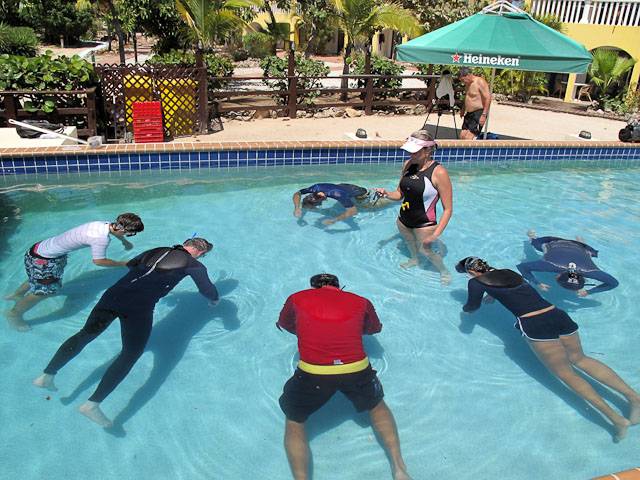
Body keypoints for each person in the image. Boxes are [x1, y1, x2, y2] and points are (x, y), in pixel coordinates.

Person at [33, 237, 219, 428]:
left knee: (85, 335)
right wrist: (214, 300)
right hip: (138, 308)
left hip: (113, 295)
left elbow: (131, 264)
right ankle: (92, 405)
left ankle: (46, 376)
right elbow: (207, 290)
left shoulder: (157, 249)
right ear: (201, 253)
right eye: (202, 256)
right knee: (130, 354)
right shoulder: (194, 265)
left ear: (186, 243)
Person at [456, 256, 640, 442]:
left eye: (467, 275)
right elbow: (508, 288)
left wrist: (465, 312)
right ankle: (634, 398)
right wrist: (492, 294)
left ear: (471, 272)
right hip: (556, 314)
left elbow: (472, 306)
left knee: (566, 374)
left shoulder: (475, 282)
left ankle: (617, 420)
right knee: (580, 359)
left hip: (534, 323)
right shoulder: (509, 273)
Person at [277, 273, 412, 480]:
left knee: (295, 420)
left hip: (314, 372)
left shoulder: (297, 297)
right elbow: (374, 329)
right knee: (377, 407)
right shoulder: (360, 301)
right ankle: (399, 469)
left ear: (313, 288)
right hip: (356, 368)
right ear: (339, 287)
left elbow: (285, 324)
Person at [5, 213, 144, 331]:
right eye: (131, 234)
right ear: (122, 229)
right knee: (44, 292)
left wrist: (124, 241)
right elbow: (99, 261)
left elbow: (117, 231)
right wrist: (124, 263)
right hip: (44, 260)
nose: (131, 235)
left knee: (39, 277)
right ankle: (14, 314)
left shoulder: (103, 224)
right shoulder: (101, 239)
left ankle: (17, 294)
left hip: (41, 249)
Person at [375, 130, 453, 284]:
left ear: (427, 150)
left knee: (426, 250)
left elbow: (448, 209)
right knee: (410, 244)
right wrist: (386, 194)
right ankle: (414, 259)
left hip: (424, 224)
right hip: (403, 220)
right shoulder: (408, 164)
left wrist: (435, 235)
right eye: (409, 151)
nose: (411, 154)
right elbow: (399, 193)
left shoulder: (439, 173)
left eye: (415, 151)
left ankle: (443, 271)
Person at [517, 230, 619, 297]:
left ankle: (580, 242)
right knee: (535, 244)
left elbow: (614, 283)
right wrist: (537, 283)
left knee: (585, 251)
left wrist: (589, 291)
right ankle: (532, 236)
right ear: (557, 276)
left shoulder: (590, 271)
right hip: (553, 241)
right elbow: (521, 267)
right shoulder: (551, 265)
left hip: (581, 247)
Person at [293, 183, 389, 225]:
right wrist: (297, 208)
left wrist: (333, 221)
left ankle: (390, 196)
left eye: (319, 204)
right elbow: (297, 193)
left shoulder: (337, 195)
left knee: (377, 206)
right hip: (345, 187)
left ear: (322, 199)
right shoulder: (315, 187)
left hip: (364, 197)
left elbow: (353, 211)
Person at [458, 67, 491, 139]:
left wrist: (484, 115)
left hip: (478, 113)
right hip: (469, 113)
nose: (463, 82)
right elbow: (467, 97)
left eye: (463, 80)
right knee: (462, 136)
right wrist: (463, 109)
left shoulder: (480, 82)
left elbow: (488, 98)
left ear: (468, 75)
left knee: (468, 137)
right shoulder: (468, 83)